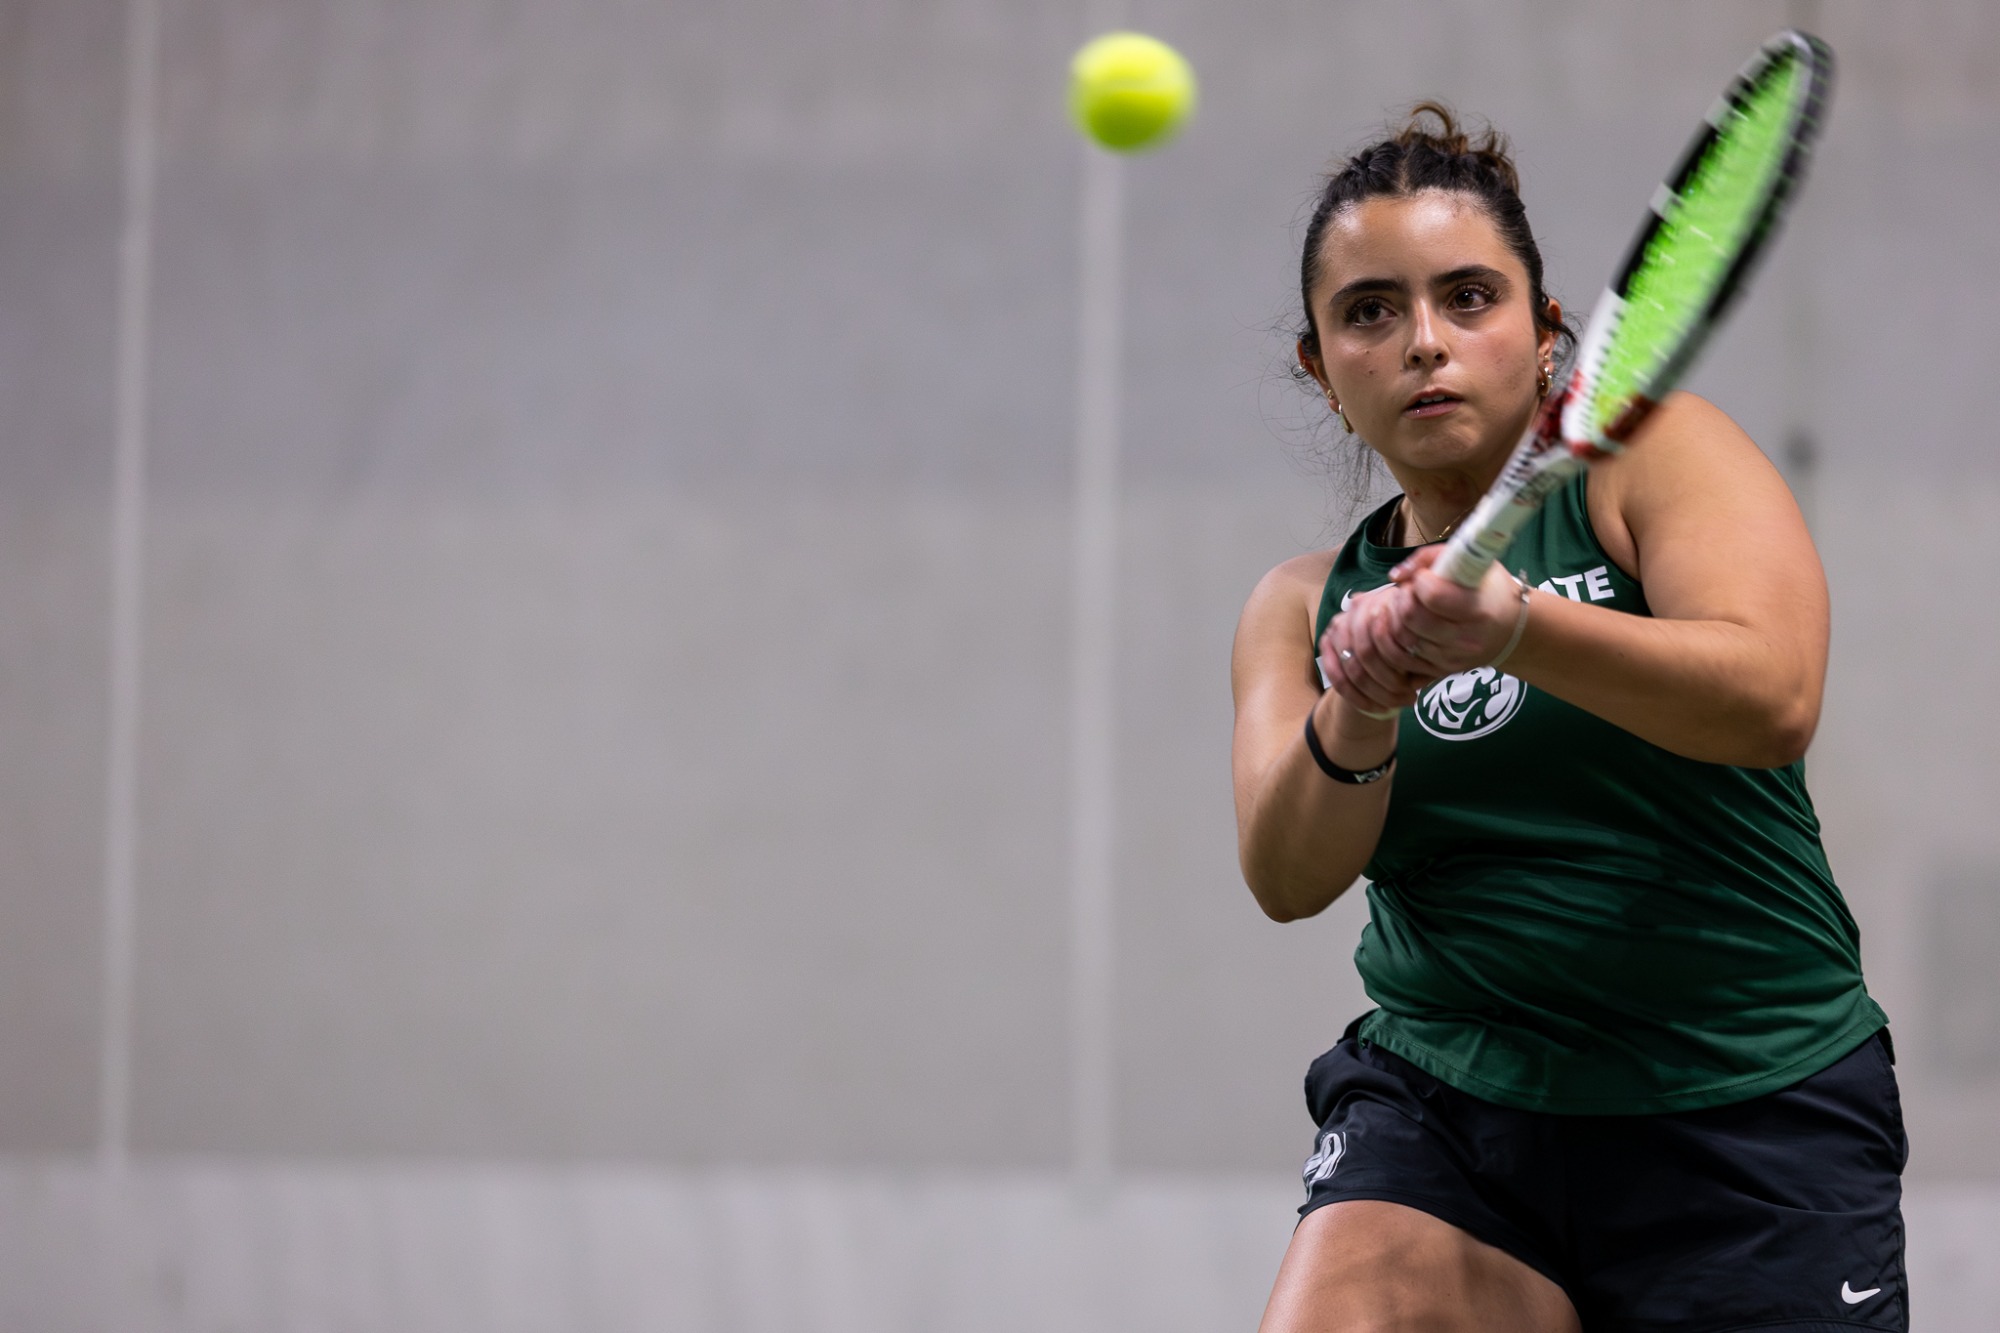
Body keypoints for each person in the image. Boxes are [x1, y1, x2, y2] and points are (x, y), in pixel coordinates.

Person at [1230, 105, 1905, 1333]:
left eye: (1466, 297)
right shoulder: (1298, 605)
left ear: (1546, 336)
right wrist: (1360, 707)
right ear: (1320, 369)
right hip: (1447, 1106)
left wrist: (1516, 629)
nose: (1421, 341)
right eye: (1368, 312)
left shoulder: (1649, 461)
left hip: (1742, 1102)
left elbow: (1772, 697)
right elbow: (1285, 876)